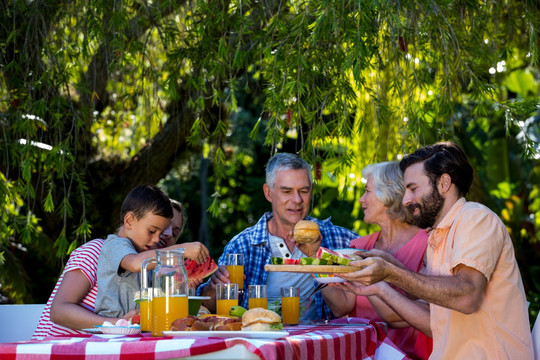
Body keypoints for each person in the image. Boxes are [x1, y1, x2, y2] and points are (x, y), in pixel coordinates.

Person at [338, 142, 534, 359]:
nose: (405, 200)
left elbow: (466, 295)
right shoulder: (438, 236)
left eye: (413, 189)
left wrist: (389, 272)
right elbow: (430, 316)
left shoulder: (475, 218)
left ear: (444, 183)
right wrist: (380, 281)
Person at [197, 153, 359, 320]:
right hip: (260, 341)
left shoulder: (339, 239)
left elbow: (346, 306)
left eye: (303, 191)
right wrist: (213, 287)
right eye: (287, 191)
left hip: (316, 342)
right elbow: (209, 310)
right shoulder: (242, 245)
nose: (297, 200)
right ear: (268, 193)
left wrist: (317, 257)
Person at [33, 194, 207, 338]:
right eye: (152, 231)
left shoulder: (145, 271)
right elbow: (59, 311)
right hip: (55, 349)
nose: (158, 239)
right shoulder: (95, 251)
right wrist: (117, 325)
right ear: (129, 221)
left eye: (169, 233)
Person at [316, 161, 430, 359]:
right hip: (363, 352)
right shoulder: (359, 245)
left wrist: (366, 276)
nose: (361, 199)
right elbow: (342, 305)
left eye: (367, 191)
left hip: (410, 355)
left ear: (388, 196)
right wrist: (315, 258)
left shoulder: (428, 244)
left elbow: (406, 315)